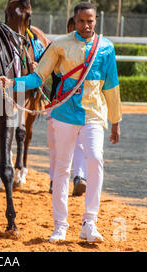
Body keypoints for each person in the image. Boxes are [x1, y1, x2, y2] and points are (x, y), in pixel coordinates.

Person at [0, 2, 122, 243]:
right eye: (82, 21)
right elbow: (37, 77)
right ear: (74, 21)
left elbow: (112, 86)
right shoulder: (60, 45)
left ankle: (89, 222)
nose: (86, 25)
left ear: (96, 21)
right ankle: (60, 224)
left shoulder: (105, 48)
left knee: (95, 161)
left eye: (90, 21)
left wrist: (115, 120)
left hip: (94, 114)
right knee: (62, 169)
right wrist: (12, 83)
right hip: (64, 114)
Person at [48, 17, 87, 197]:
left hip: (81, 104)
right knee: (56, 145)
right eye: (74, 27)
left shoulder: (90, 51)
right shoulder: (57, 47)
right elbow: (40, 71)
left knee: (79, 144)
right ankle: (54, 179)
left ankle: (79, 177)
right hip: (57, 103)